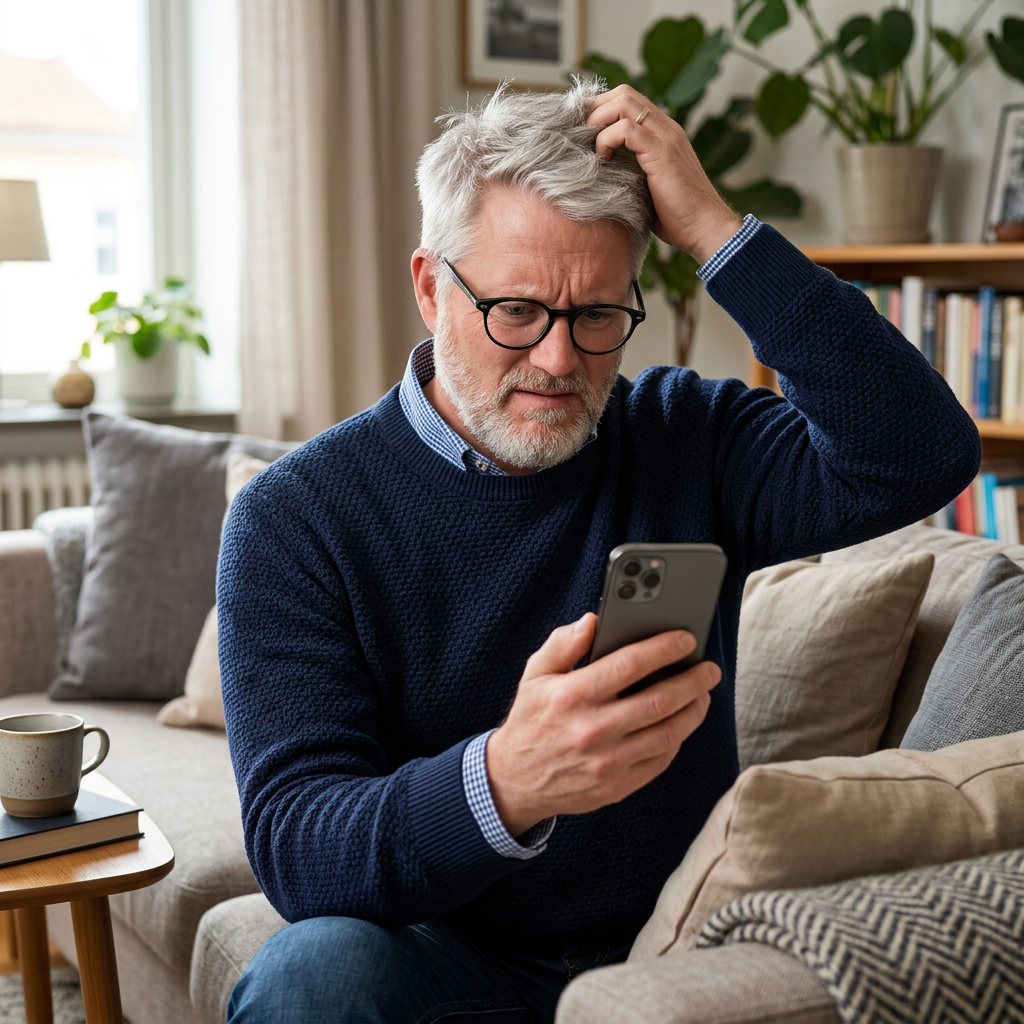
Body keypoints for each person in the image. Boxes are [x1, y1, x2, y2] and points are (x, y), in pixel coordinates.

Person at [218, 79, 979, 1023]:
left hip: (676, 944)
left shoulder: (687, 433)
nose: (557, 361)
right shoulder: (295, 518)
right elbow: (300, 846)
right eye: (518, 312)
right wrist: (508, 781)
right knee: (310, 975)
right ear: (429, 287)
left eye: (596, 318)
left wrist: (714, 232)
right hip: (446, 954)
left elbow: (921, 453)